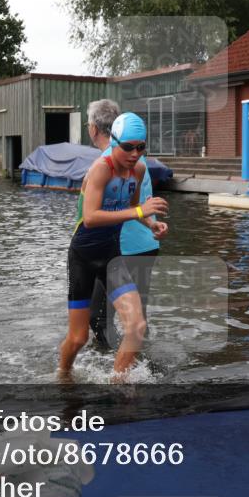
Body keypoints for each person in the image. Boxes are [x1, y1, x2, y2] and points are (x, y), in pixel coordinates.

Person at [60, 112, 168, 380]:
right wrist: (140, 212)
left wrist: (150, 223)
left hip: (111, 256)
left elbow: (131, 206)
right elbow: (91, 217)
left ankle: (116, 384)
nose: (134, 153)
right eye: (128, 147)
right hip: (83, 258)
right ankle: (63, 375)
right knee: (78, 338)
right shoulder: (101, 169)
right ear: (114, 142)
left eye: (140, 147)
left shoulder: (138, 169)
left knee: (137, 326)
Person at [84, 100, 163, 349]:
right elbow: (135, 202)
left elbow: (90, 217)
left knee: (98, 316)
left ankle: (116, 367)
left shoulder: (108, 162)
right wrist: (151, 224)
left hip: (121, 250)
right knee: (137, 317)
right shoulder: (136, 158)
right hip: (145, 246)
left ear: (92, 128)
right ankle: (142, 365)